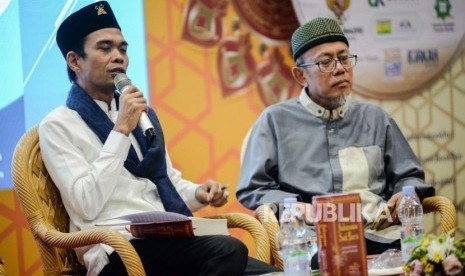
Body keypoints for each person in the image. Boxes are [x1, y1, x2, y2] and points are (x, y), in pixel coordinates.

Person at [39, 2, 280, 275]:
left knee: (275, 273)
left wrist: (198, 194)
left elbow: (166, 181)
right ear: (74, 61)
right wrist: (120, 132)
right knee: (228, 250)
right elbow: (85, 204)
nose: (118, 56)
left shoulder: (140, 114)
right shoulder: (59, 125)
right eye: (105, 48)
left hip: (167, 239)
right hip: (117, 250)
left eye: (123, 49)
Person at [236, 17, 435, 256]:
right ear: (301, 76)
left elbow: (409, 175)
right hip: (314, 241)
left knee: (427, 260)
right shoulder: (275, 120)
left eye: (344, 58)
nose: (340, 68)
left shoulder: (375, 117)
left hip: (379, 234)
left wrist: (405, 193)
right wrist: (293, 205)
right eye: (326, 62)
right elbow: (253, 188)